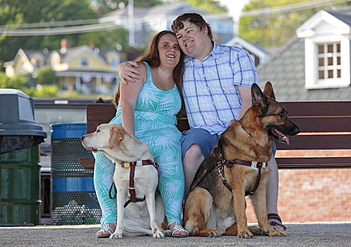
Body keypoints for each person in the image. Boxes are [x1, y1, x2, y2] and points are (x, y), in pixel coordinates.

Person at [119, 13, 286, 231]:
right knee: (192, 151)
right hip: (203, 131)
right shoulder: (180, 64)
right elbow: (152, 69)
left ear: (205, 30)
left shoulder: (236, 56)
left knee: (266, 151)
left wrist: (235, 137)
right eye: (180, 36)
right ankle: (180, 214)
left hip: (237, 130)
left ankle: (272, 216)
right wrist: (123, 67)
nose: (184, 39)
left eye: (189, 31)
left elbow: (249, 102)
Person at [94, 30, 189, 238]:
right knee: (104, 155)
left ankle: (174, 220)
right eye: (166, 45)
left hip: (163, 130)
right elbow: (126, 104)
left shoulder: (181, 75)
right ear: (156, 48)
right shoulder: (139, 69)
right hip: (129, 126)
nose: (171, 50)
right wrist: (130, 141)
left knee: (169, 151)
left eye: (176, 47)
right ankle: (109, 220)